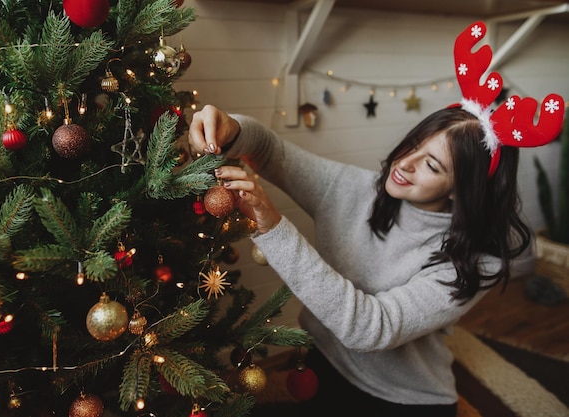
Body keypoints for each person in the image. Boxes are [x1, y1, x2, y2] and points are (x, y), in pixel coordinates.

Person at [188, 21, 564, 417]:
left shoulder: (473, 260)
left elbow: (370, 327)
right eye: (414, 144)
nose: (405, 164)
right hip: (326, 363)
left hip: (402, 398)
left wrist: (272, 227)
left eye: (432, 165)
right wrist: (231, 130)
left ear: (460, 190)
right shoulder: (356, 189)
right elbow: (270, 151)